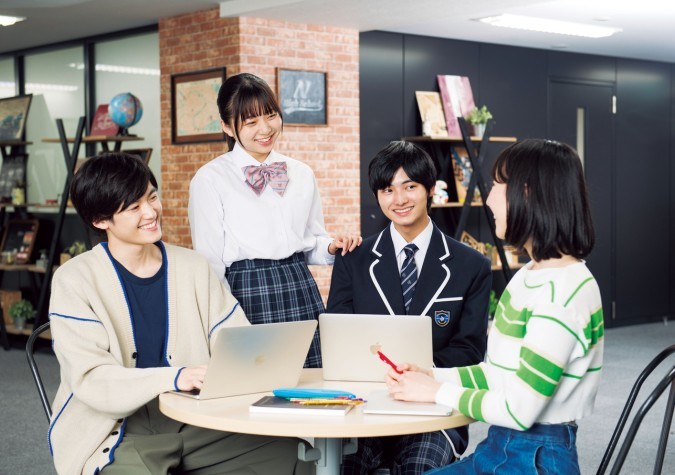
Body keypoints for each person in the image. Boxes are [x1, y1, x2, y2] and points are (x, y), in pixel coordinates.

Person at [48, 152, 311, 475]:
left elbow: (236, 340)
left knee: (296, 456)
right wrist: (175, 376)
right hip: (120, 430)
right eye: (133, 207)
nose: (151, 212)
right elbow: (91, 379)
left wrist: (266, 361)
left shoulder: (193, 266)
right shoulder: (75, 279)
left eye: (151, 197)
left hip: (194, 418)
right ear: (100, 221)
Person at [387, 139, 604, 474]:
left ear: (527, 194)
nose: (488, 199)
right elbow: (499, 373)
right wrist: (431, 375)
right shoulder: (529, 275)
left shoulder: (563, 293)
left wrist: (437, 391)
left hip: (536, 458)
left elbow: (519, 410)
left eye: (497, 186)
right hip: (502, 446)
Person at [326, 140, 492, 474]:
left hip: (433, 406)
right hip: (364, 405)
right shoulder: (352, 260)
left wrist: (424, 374)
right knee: (342, 466)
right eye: (387, 190)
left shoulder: (471, 265)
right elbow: (338, 339)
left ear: (430, 189)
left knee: (420, 466)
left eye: (410, 186)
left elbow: (470, 350)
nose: (399, 199)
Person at [189, 72, 360, 368]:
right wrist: (222, 319)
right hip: (246, 293)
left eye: (270, 115)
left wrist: (331, 246)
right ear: (227, 127)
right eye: (251, 122)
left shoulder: (301, 173)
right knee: (256, 381)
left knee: (313, 379)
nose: (265, 129)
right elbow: (210, 263)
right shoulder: (210, 179)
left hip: (299, 285)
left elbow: (311, 242)